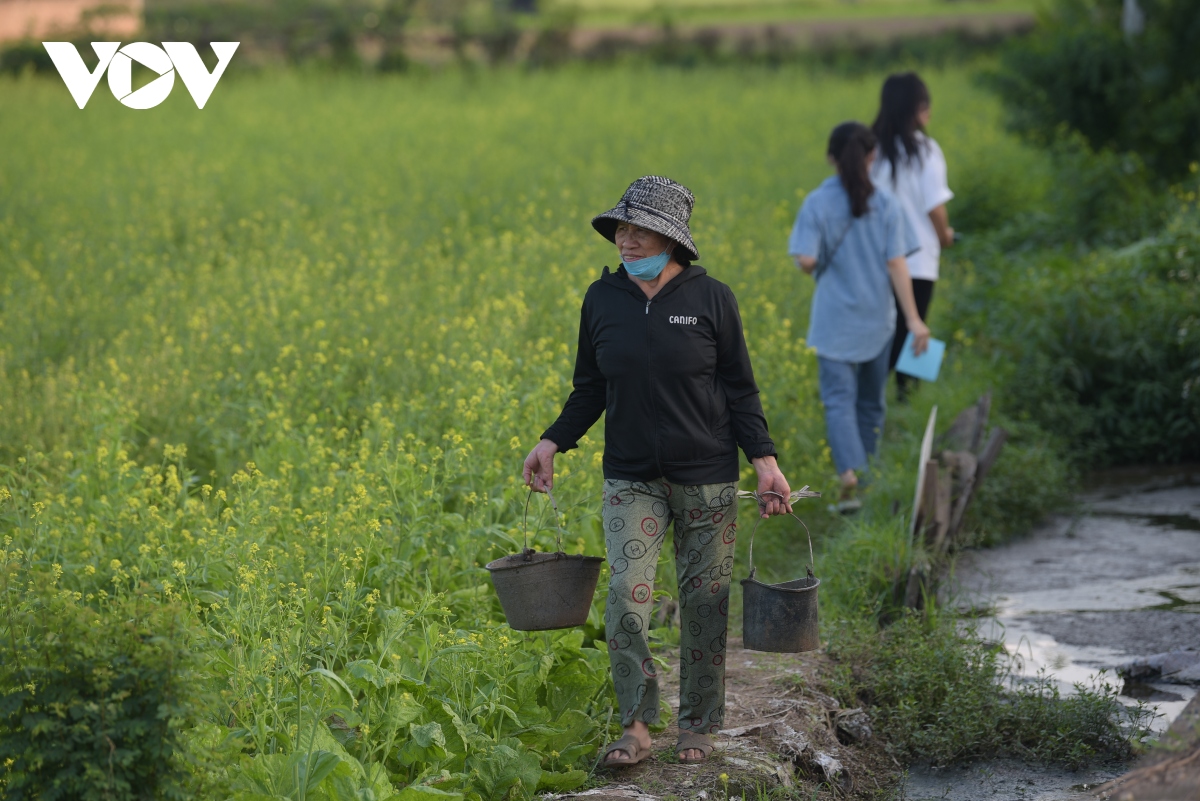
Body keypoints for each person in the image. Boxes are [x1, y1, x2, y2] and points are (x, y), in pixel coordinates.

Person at [522, 175, 794, 767]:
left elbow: (741, 391)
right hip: (631, 478)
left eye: (640, 229)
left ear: (671, 239)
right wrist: (551, 441)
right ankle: (637, 723)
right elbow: (589, 389)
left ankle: (697, 722)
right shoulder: (602, 301)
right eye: (621, 228)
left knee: (705, 601)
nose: (626, 239)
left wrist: (765, 462)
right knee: (625, 593)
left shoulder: (712, 299)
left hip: (708, 477)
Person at [788, 123, 930, 510]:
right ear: (872, 158)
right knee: (871, 403)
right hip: (878, 321)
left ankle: (848, 474)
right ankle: (866, 480)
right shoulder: (886, 204)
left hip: (834, 321)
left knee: (838, 400)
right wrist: (914, 319)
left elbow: (806, 259)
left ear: (831, 157)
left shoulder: (817, 202)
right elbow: (898, 264)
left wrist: (812, 262)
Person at [870, 72, 955, 399]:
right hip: (918, 260)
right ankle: (910, 398)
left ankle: (877, 396)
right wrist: (945, 236)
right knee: (916, 327)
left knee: (886, 332)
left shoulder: (869, 149)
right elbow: (936, 207)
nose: (929, 110)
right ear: (915, 107)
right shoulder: (926, 150)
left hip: (876, 259)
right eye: (925, 102)